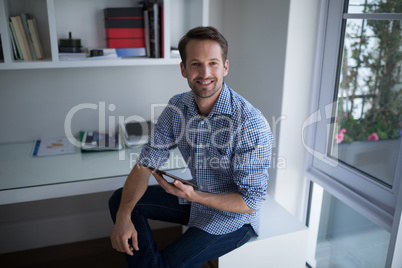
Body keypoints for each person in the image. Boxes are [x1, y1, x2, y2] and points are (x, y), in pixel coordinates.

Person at [109, 26, 274, 267]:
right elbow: (145, 165)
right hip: (195, 198)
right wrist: (123, 217)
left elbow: (251, 202)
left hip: (236, 218)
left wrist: (194, 195)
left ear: (225, 67)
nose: (205, 73)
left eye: (213, 63)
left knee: (165, 263)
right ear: (183, 69)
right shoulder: (177, 106)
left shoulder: (250, 124)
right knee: (120, 201)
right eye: (196, 64)